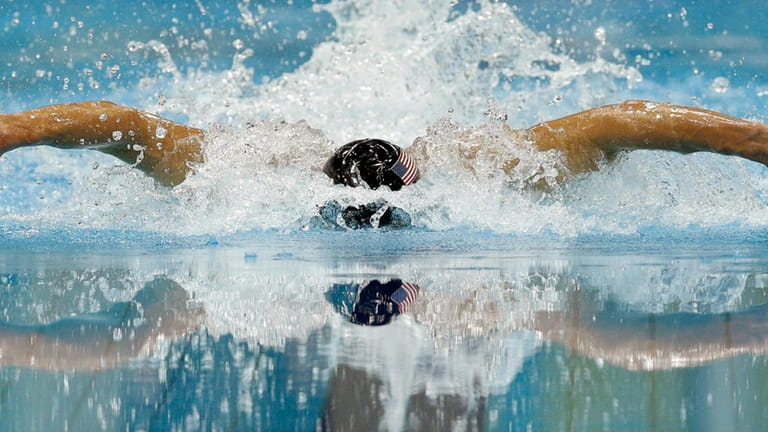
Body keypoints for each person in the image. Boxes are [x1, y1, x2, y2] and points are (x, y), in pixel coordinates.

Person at [2, 100, 768, 222]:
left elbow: (622, 124)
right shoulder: (242, 172)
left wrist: (756, 142)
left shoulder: (493, 167)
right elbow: (117, 124)